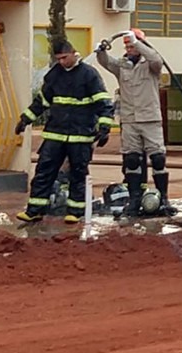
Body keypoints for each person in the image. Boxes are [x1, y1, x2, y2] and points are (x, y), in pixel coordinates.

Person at [14, 40, 114, 223]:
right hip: (55, 133)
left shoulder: (89, 74)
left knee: (78, 174)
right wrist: (25, 119)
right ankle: (34, 210)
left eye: (64, 58)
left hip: (80, 135)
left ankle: (75, 212)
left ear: (74, 53)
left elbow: (103, 102)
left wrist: (104, 128)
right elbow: (42, 101)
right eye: (58, 59)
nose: (61, 62)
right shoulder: (54, 75)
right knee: (44, 171)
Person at [95, 28, 172, 217]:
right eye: (127, 46)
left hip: (150, 119)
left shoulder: (150, 64)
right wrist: (101, 50)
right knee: (131, 159)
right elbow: (106, 62)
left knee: (158, 158)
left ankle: (163, 198)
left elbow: (157, 60)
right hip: (130, 119)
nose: (129, 49)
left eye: (132, 45)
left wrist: (137, 42)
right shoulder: (122, 66)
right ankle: (134, 199)